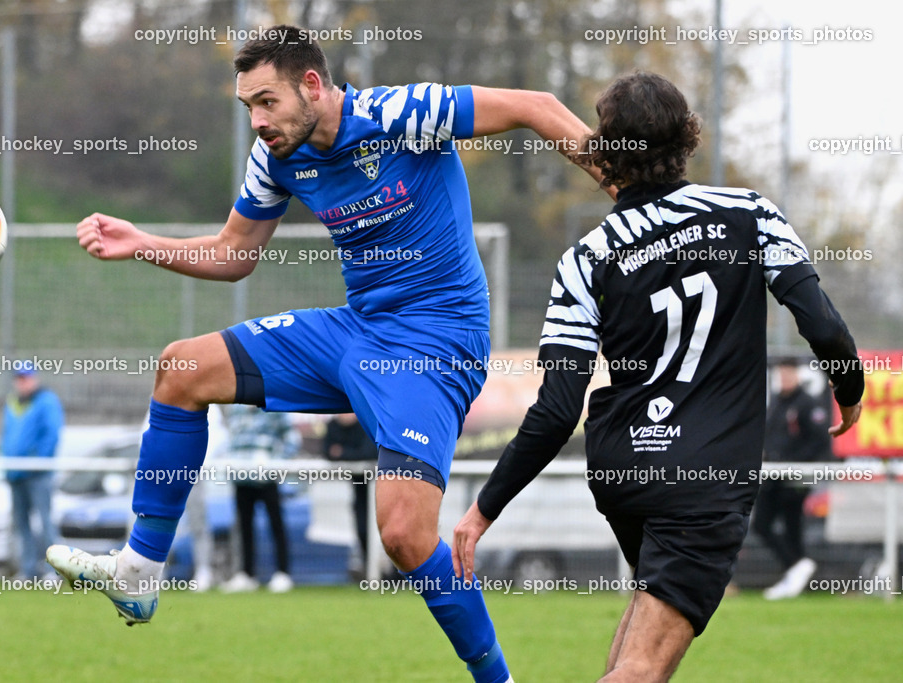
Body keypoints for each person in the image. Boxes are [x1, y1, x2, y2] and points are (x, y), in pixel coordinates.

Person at [48, 24, 607, 682]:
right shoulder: (277, 156)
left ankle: (497, 679)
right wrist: (143, 242)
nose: (257, 121)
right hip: (357, 330)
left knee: (401, 534)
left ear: (312, 84)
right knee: (181, 368)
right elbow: (234, 253)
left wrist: (623, 188)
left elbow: (534, 105)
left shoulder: (401, 114)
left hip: (436, 337)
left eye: (266, 101)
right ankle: (139, 573)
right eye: (247, 107)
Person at [452, 71, 864, 682]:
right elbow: (823, 327)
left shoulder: (584, 258)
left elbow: (558, 409)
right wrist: (849, 387)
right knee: (642, 670)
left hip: (623, 467)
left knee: (642, 648)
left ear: (603, 149)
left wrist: (483, 507)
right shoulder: (749, 214)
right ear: (687, 138)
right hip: (702, 478)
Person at [755, 360, 831, 600]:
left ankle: (795, 573)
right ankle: (796, 567)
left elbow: (820, 440)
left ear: (797, 375)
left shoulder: (807, 403)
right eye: (781, 374)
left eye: (788, 373)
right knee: (762, 524)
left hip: (795, 475)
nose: (784, 378)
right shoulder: (776, 401)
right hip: (773, 474)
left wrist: (794, 462)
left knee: (792, 526)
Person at [222, 404, 300, 593]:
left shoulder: (274, 407)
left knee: (276, 525)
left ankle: (283, 573)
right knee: (244, 527)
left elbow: (292, 438)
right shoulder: (236, 409)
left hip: (267, 478)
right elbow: (233, 438)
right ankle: (247, 574)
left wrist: (277, 462)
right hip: (241, 477)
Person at [1, 367, 64, 579]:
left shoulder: (47, 401)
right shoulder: (13, 402)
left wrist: (37, 461)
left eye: (26, 378)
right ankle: (27, 571)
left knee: (46, 522)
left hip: (38, 474)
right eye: (19, 379)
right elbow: (8, 436)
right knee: (22, 525)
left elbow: (51, 434)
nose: (22, 383)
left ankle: (53, 570)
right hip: (15, 474)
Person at [322, 413, 379, 572]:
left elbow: (369, 452)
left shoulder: (367, 421)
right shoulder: (334, 425)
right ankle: (370, 568)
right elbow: (327, 451)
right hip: (360, 488)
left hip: (381, 486)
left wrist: (342, 453)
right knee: (362, 528)